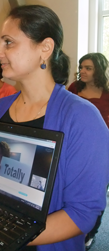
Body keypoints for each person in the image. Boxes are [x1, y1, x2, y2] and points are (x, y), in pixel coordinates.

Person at [0, 5, 109, 251]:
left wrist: (4, 233)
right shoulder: (1, 108)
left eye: (8, 42)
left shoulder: (82, 118)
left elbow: (83, 213)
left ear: (45, 48)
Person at [68, 52, 109, 250]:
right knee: (73, 191)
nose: (82, 71)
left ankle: (91, 232)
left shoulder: (108, 94)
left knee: (97, 192)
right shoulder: (74, 89)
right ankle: (71, 228)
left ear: (98, 71)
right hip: (74, 148)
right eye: (81, 67)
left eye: (88, 68)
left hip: (101, 151)